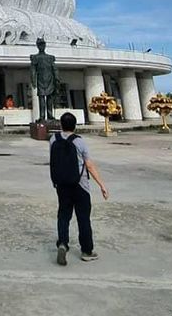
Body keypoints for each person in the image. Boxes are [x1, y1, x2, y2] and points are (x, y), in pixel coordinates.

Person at [50, 112, 108, 265]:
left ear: (61, 125)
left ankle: (62, 243)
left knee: (63, 215)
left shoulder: (53, 140)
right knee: (83, 218)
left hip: (61, 184)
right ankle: (87, 251)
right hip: (80, 185)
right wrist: (101, 184)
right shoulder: (79, 142)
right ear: (75, 126)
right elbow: (88, 164)